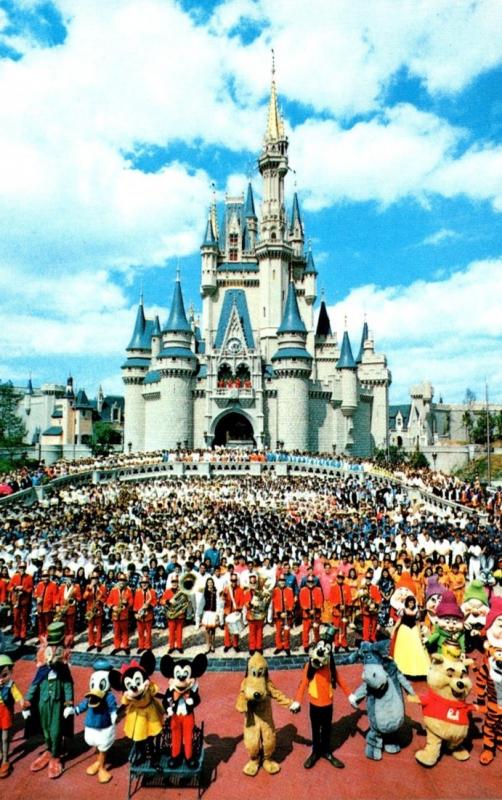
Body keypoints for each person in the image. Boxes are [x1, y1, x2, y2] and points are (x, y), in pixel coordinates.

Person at [107, 572, 133, 655]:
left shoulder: (128, 591)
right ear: (118, 581)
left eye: (123, 580)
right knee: (116, 632)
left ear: (125, 581)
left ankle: (125, 646)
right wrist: (112, 607)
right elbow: (108, 601)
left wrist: (127, 604)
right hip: (115, 614)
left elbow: (131, 601)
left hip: (124, 614)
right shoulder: (113, 590)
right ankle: (117, 646)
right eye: (120, 580)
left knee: (125, 631)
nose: (122, 582)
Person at [160, 575, 188, 654]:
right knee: (171, 632)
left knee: (179, 631)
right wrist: (168, 601)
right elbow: (161, 601)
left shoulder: (182, 591)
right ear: (171, 583)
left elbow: (186, 602)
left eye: (176, 582)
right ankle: (171, 647)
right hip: (171, 614)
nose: (174, 584)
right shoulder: (167, 591)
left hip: (179, 614)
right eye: (173, 582)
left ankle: (179, 646)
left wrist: (183, 609)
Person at [8, 561, 33, 644]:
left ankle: (23, 635)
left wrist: (24, 589)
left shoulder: (29, 577)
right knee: (16, 618)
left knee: (24, 619)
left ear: (25, 568)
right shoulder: (14, 576)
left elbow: (31, 589)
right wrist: (15, 588)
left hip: (24, 601)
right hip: (16, 600)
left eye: (23, 567)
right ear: (18, 568)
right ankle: (16, 634)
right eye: (20, 567)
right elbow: (9, 587)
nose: (22, 569)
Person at [83, 571, 108, 652]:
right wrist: (89, 589)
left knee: (99, 628)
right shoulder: (88, 587)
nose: (94, 580)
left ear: (98, 579)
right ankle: (91, 644)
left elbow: (105, 598)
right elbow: (84, 597)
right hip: (90, 610)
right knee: (90, 628)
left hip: (98, 610)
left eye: (96, 578)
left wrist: (100, 601)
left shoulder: (102, 587)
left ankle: (98, 643)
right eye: (93, 578)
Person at [299, 575, 323, 652]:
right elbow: (302, 602)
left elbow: (320, 601)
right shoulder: (303, 590)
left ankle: (317, 643)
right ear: (306, 582)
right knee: (305, 631)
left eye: (312, 582)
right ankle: (305, 645)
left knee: (316, 630)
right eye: (309, 582)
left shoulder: (318, 590)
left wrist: (315, 609)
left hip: (316, 614)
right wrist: (308, 610)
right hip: (307, 614)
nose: (310, 583)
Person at [272, 574, 295, 655]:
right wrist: (278, 613)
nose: (282, 582)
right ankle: (279, 646)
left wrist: (288, 612)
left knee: (286, 632)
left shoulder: (290, 590)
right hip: (278, 615)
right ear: (278, 581)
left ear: (285, 581)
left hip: (287, 615)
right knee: (278, 632)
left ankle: (286, 647)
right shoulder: (275, 591)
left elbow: (292, 603)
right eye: (280, 581)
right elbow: (273, 604)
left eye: (283, 581)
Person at [222, 573, 245, 653]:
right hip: (228, 611)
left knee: (235, 629)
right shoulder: (226, 589)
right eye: (232, 580)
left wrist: (239, 610)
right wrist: (223, 597)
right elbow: (223, 599)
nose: (233, 582)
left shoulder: (240, 589)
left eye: (235, 580)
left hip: (236, 611)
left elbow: (242, 601)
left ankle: (235, 644)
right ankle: (227, 644)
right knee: (227, 629)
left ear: (237, 580)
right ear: (230, 580)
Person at [133, 576, 157, 653]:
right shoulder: (137, 592)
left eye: (146, 583)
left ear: (148, 583)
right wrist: (135, 613)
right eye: (143, 583)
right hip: (139, 615)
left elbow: (155, 602)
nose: (144, 584)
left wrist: (149, 606)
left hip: (148, 615)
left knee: (148, 632)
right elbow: (135, 603)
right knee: (140, 632)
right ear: (140, 584)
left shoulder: (152, 592)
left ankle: (148, 647)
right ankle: (141, 646)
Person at [33, 571, 59, 641]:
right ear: (41, 577)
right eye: (44, 576)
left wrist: (54, 607)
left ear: (49, 576)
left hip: (48, 608)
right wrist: (37, 597)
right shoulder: (39, 584)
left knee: (48, 624)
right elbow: (35, 593)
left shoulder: (53, 585)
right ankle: (41, 638)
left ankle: (47, 637)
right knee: (40, 625)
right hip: (40, 608)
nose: (45, 578)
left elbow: (55, 597)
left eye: (47, 576)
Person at [201, 577, 220, 653]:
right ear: (207, 584)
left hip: (213, 612)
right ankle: (208, 645)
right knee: (207, 629)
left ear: (213, 583)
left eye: (211, 582)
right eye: (209, 582)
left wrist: (218, 613)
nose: (210, 584)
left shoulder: (216, 591)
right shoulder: (205, 591)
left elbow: (218, 602)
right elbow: (202, 602)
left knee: (213, 629)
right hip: (207, 612)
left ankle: (213, 645)